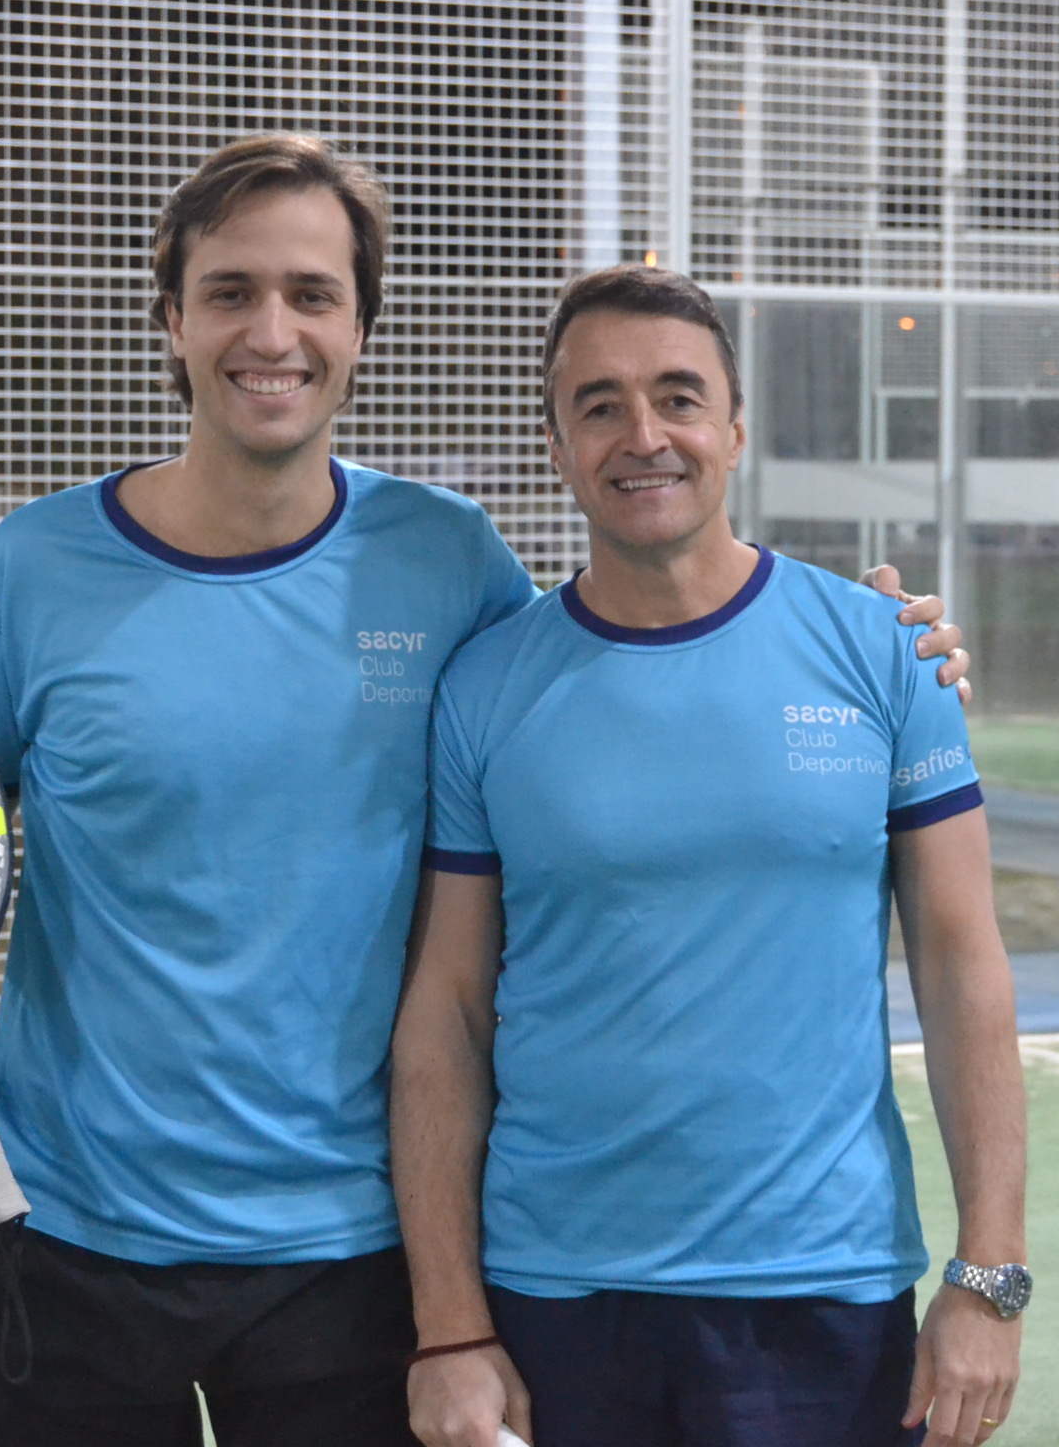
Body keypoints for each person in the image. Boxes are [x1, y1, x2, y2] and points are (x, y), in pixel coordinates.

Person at [0, 136, 970, 1447]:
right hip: (65, 1236)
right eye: (230, 293)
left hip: (359, 1263)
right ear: (173, 322)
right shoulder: (35, 566)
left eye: (311, 295)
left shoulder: (448, 558)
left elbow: (610, 668)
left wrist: (867, 640)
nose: (271, 333)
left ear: (359, 330)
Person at [393, 266, 1026, 1447]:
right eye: (600, 406)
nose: (645, 436)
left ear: (734, 429)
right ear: (556, 447)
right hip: (558, 1297)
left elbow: (962, 969)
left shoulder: (884, 654)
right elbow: (448, 1009)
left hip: (823, 1294)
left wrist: (989, 1279)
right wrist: (450, 1327)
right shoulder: (484, 687)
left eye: (679, 398)